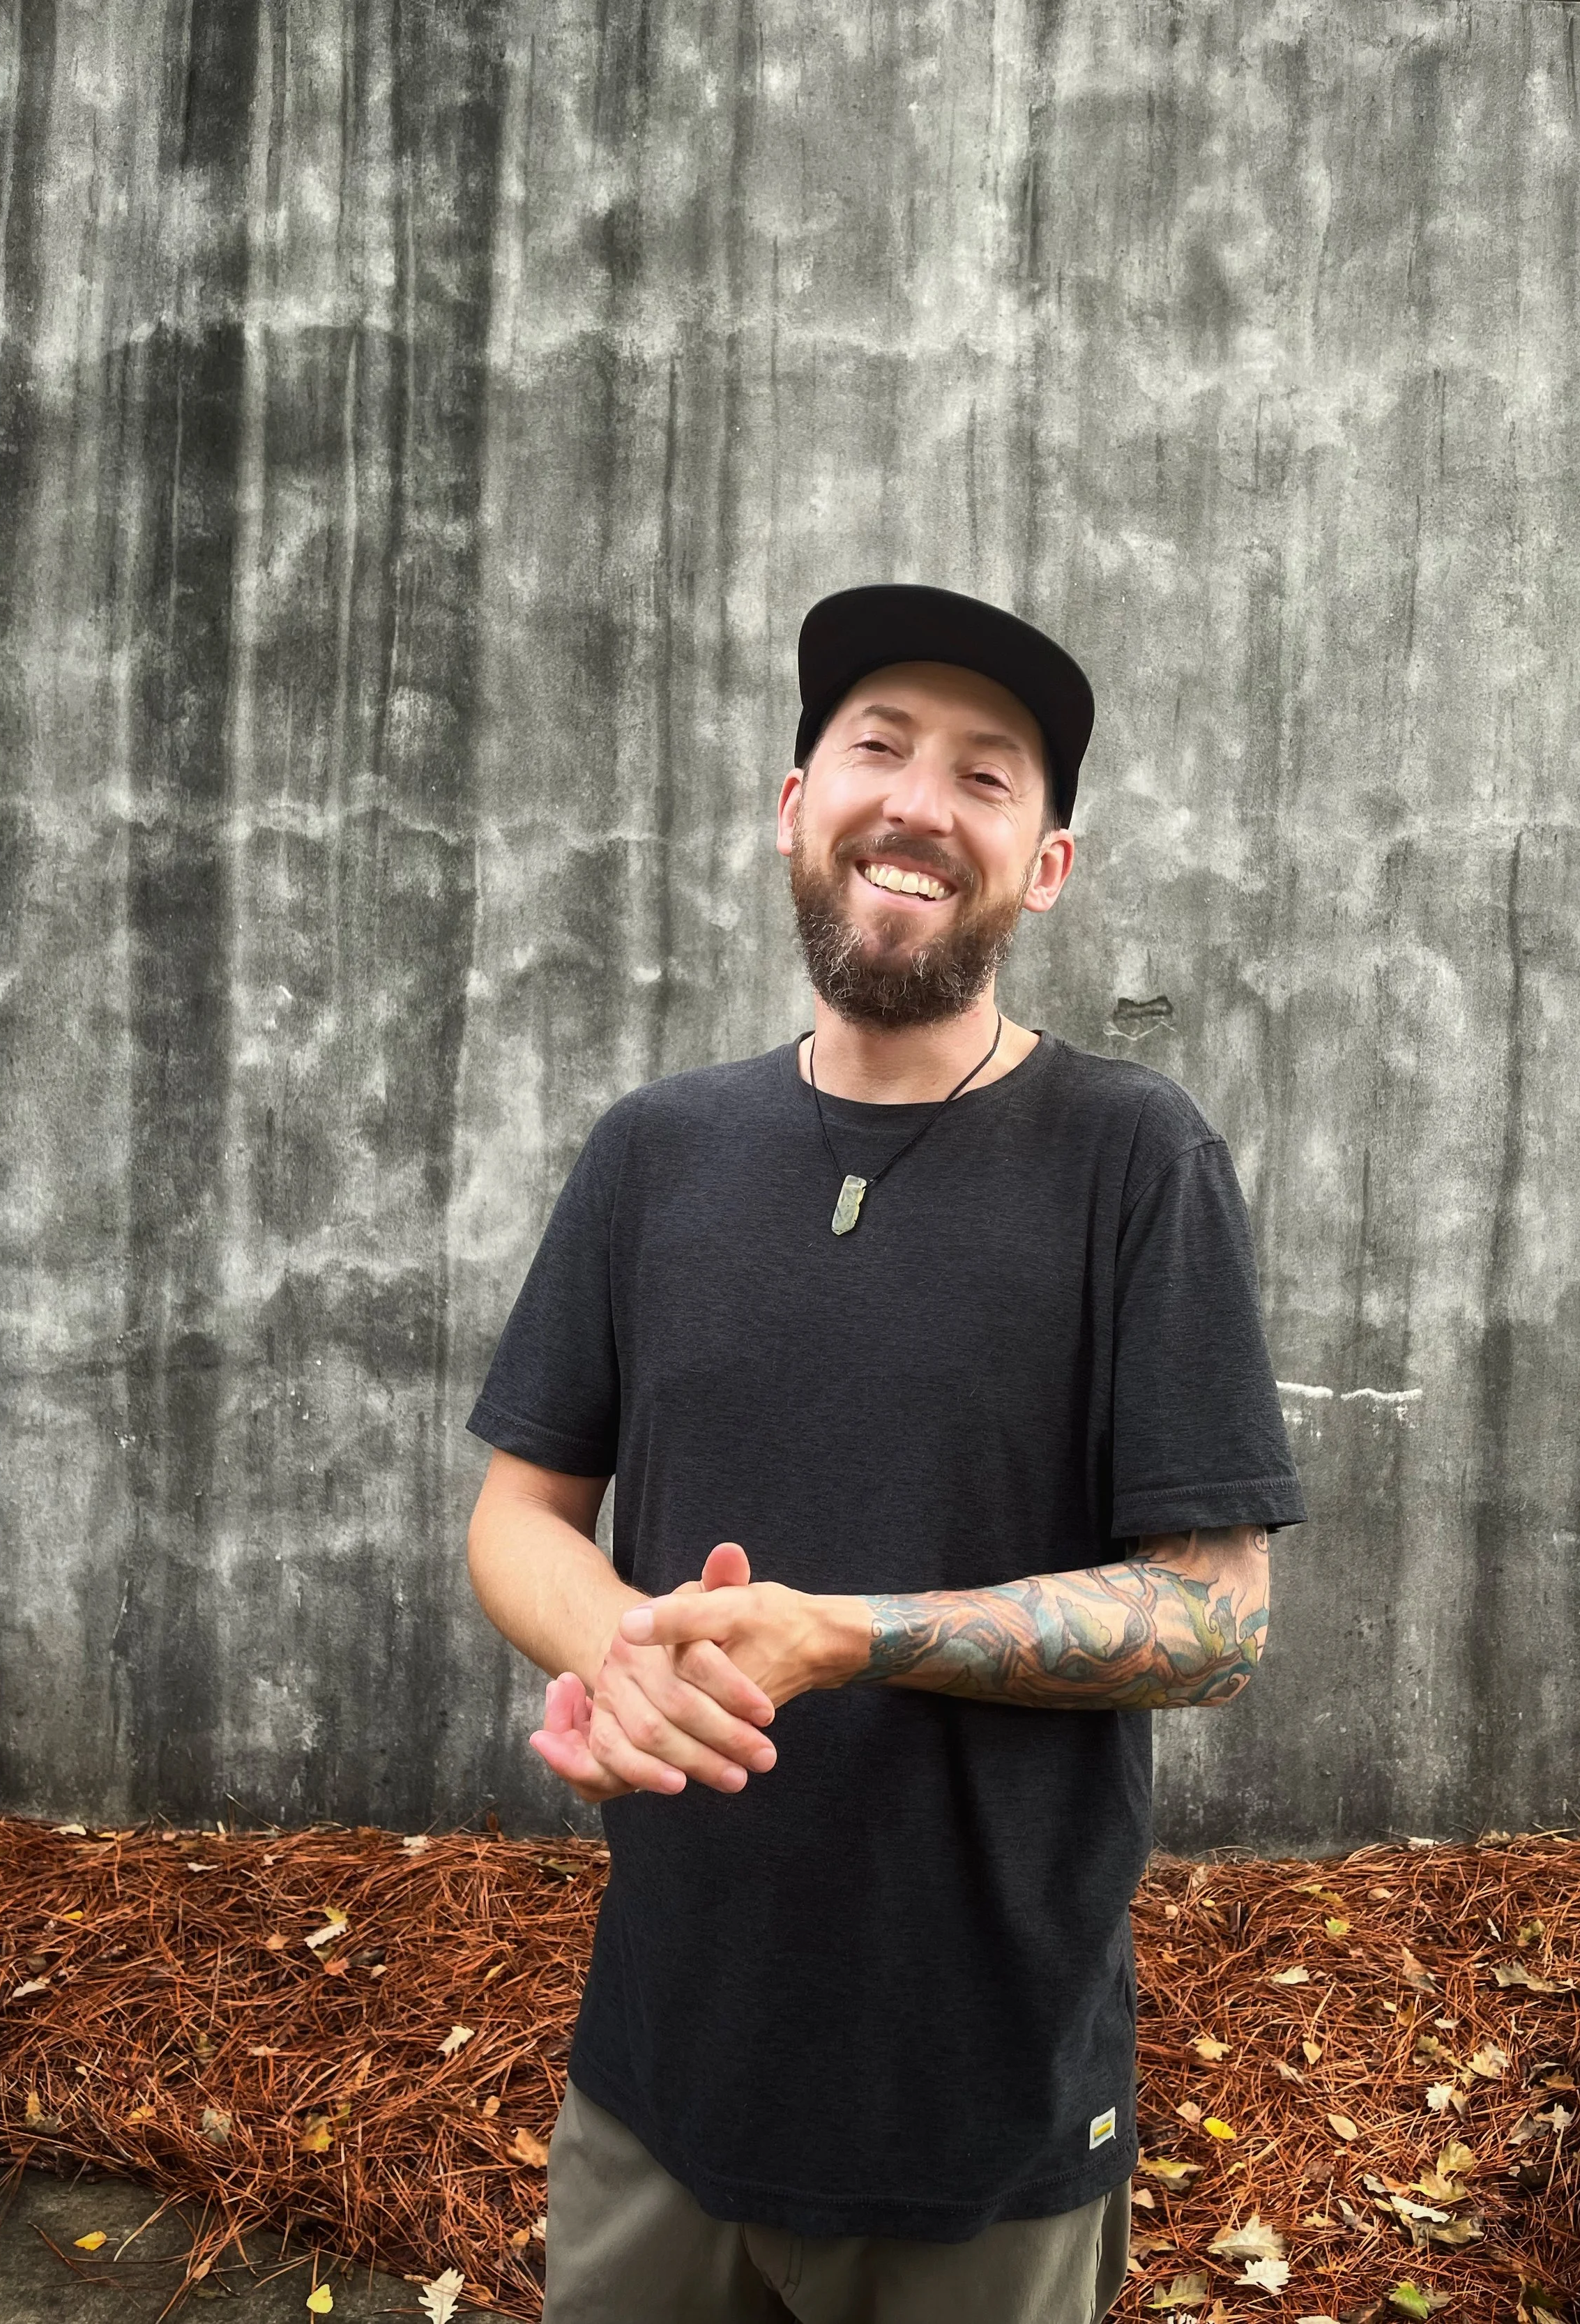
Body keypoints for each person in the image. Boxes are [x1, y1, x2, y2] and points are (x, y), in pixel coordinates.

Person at [464, 583, 1305, 2324]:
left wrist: (843, 1631)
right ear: (796, 805)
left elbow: (1217, 1617)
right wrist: (620, 1655)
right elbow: (520, 1514)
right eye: (877, 747)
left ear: (1045, 865)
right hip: (651, 2083)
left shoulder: (1133, 1159)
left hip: (973, 2120)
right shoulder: (653, 1150)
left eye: (987, 775)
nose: (919, 801)